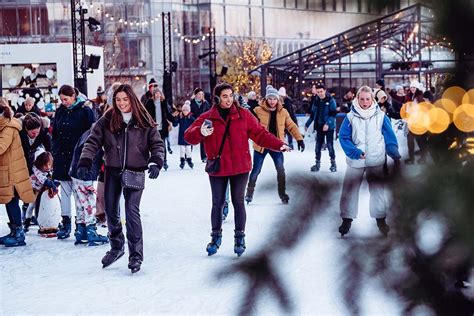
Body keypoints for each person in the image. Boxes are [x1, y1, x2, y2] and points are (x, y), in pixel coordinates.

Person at [184, 83, 290, 257]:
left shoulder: (243, 115)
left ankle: (239, 238)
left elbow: (260, 134)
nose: (228, 99)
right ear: (217, 98)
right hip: (218, 167)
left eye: (231, 95)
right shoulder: (208, 117)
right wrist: (200, 132)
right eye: (224, 96)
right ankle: (215, 237)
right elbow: (188, 135)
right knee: (217, 203)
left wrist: (279, 145)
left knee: (238, 202)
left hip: (240, 167)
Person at [77, 84, 164, 273]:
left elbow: (156, 143)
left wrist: (156, 161)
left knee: (131, 212)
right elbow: (93, 140)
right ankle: (117, 246)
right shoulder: (107, 119)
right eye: (118, 100)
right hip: (112, 170)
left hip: (135, 171)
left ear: (131, 99)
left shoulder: (143, 118)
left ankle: (136, 255)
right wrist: (85, 160)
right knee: (110, 210)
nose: (122, 103)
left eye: (125, 99)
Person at [338, 86, 401, 237]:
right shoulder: (350, 117)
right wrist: (354, 152)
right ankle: (347, 219)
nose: (365, 102)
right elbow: (343, 137)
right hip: (355, 160)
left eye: (367, 99)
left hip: (376, 160)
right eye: (362, 99)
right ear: (357, 99)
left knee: (378, 191)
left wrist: (394, 153)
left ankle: (381, 220)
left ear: (372, 99)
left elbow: (389, 136)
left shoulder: (381, 116)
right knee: (350, 189)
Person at [245, 85, 305, 204]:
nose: (272, 101)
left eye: (274, 99)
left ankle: (282, 194)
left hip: (277, 145)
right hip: (261, 145)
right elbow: (250, 125)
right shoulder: (258, 110)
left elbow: (291, 126)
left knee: (280, 170)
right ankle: (249, 193)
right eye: (270, 98)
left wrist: (299, 139)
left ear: (278, 99)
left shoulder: (283, 112)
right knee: (256, 170)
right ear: (266, 99)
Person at [52, 84, 95, 239]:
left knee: (80, 193)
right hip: (62, 156)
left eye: (66, 99)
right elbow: (55, 133)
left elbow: (92, 133)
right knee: (65, 191)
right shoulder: (60, 111)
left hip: (79, 156)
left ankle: (81, 224)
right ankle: (66, 221)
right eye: (62, 100)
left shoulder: (85, 111)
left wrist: (88, 156)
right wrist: (55, 150)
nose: (64, 102)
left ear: (73, 96)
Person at [0, 97, 35, 247]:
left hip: (12, 172)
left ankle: (18, 233)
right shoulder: (5, 124)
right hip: (8, 171)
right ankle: (15, 231)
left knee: (12, 200)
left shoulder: (8, 127)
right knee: (10, 200)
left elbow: (1, 147)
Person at [69, 127, 108, 246]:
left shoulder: (88, 132)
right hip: (85, 174)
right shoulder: (96, 136)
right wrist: (89, 177)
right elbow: (92, 157)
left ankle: (81, 231)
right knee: (89, 204)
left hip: (75, 172)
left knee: (80, 204)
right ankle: (91, 232)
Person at [24, 150, 60, 233]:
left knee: (54, 202)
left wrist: (56, 182)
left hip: (46, 189)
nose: (47, 167)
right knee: (32, 205)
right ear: (40, 163)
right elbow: (42, 179)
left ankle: (55, 219)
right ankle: (27, 221)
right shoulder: (36, 169)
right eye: (45, 164)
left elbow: (53, 177)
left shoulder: (50, 169)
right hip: (36, 189)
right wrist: (51, 183)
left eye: (49, 164)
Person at [305, 84, 338, 172]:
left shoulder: (331, 100)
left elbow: (333, 114)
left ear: (325, 91)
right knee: (318, 146)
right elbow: (312, 114)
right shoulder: (316, 100)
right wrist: (307, 124)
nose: (320, 93)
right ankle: (317, 164)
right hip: (319, 126)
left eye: (321, 91)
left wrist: (327, 124)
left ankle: (333, 164)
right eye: (318, 92)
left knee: (330, 145)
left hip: (329, 127)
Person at [145, 86, 174, 171]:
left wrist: (174, 119)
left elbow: (168, 113)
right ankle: (152, 161)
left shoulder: (164, 102)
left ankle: (164, 161)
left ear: (161, 94)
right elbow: (146, 114)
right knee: (152, 146)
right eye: (156, 93)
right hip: (153, 129)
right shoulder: (149, 102)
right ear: (153, 95)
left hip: (163, 128)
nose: (158, 95)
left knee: (163, 146)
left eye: (159, 93)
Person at [404, 81, 428, 164]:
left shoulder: (420, 97)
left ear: (417, 88)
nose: (412, 89)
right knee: (410, 140)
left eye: (414, 87)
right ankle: (411, 158)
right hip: (411, 122)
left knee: (420, 141)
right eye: (411, 87)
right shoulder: (409, 96)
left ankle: (423, 158)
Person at [190, 87, 211, 162]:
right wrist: (194, 120)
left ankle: (204, 156)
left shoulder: (206, 103)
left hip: (203, 124)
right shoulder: (191, 103)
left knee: (203, 140)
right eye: (199, 94)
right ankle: (188, 156)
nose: (200, 96)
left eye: (202, 94)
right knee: (191, 139)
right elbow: (189, 113)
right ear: (195, 95)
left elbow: (208, 113)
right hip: (193, 123)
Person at [172, 101, 195, 169]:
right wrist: (175, 118)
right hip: (181, 136)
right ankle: (182, 161)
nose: (185, 111)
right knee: (182, 150)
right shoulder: (180, 117)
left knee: (188, 149)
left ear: (189, 111)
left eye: (187, 110)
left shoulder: (191, 118)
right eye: (184, 110)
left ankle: (189, 160)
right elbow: (175, 124)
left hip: (188, 136)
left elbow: (195, 124)